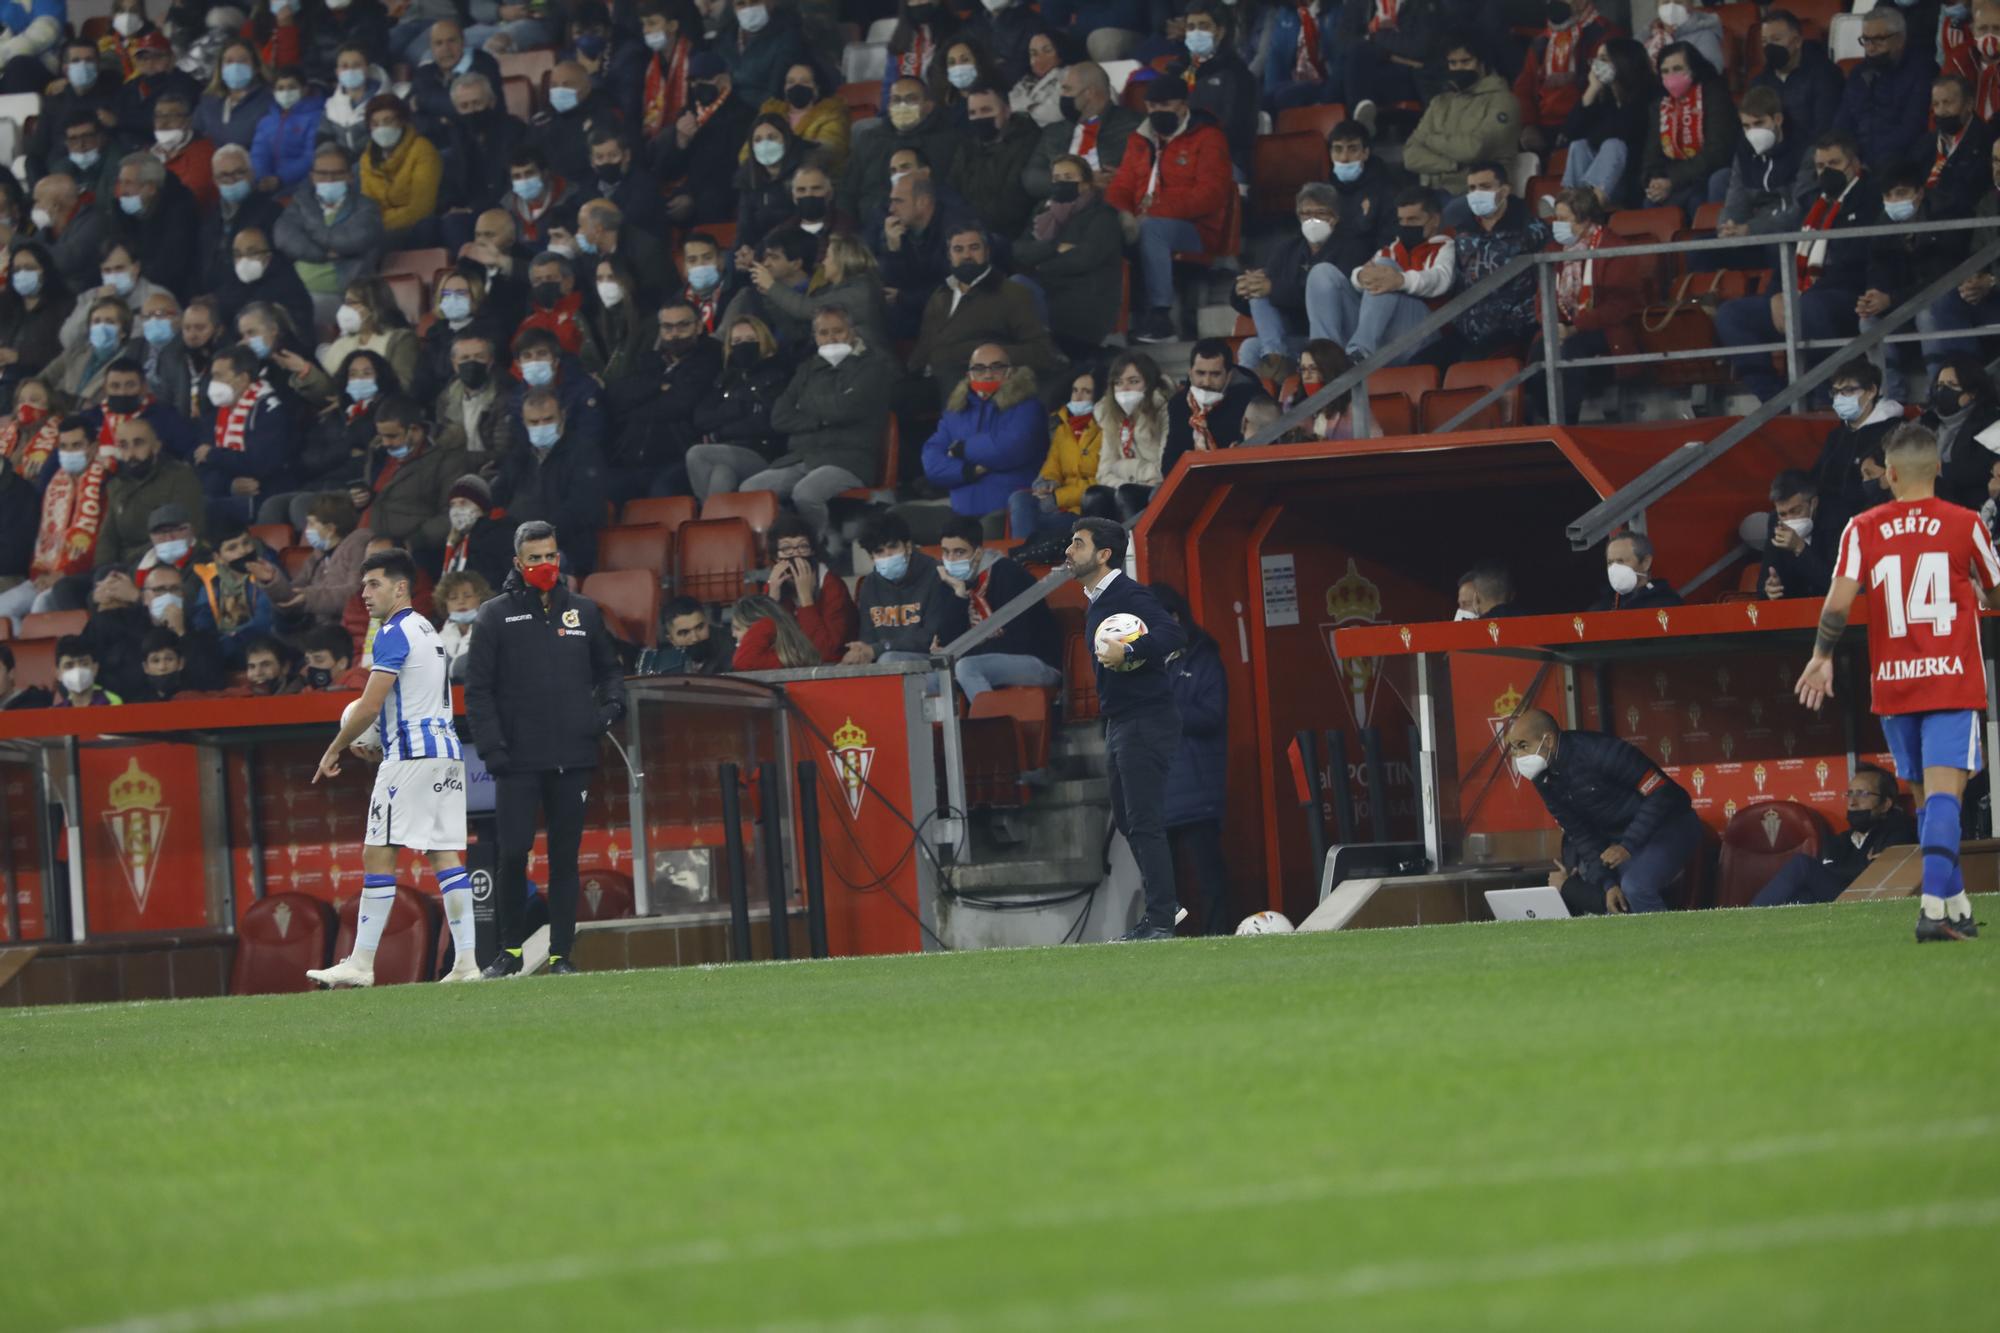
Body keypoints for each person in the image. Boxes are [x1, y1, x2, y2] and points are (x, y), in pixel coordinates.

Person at [1795, 423, 1999, 941]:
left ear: (1888, 474)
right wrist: (1976, 593)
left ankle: (1956, 906)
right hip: (1951, 679)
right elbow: (1995, 594)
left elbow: (1838, 603)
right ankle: (1932, 910)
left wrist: (1821, 657)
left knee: (1929, 803)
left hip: (1894, 684)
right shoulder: (1966, 522)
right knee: (1947, 800)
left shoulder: (1862, 527)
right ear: (1937, 468)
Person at [302, 548, 481, 986]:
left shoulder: (393, 631)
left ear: (401, 587)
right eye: (363, 585)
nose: (364, 593)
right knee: (443, 854)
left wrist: (336, 748)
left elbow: (369, 705)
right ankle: (467, 964)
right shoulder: (428, 630)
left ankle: (361, 963)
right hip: (444, 752)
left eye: (374, 583)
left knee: (377, 851)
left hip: (411, 757)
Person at [464, 520, 627, 977]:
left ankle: (560, 955)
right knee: (512, 854)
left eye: (550, 556)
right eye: (534, 558)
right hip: (516, 761)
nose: (543, 565)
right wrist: (493, 751)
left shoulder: (585, 612)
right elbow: (477, 691)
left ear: (560, 558)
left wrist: (610, 710)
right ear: (518, 562)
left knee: (564, 859)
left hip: (573, 756)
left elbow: (610, 672)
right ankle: (509, 952)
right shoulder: (493, 615)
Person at [1068, 516, 1187, 940]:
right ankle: (1164, 906)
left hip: (1145, 718)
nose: (1069, 551)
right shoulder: (1100, 599)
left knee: (1144, 819)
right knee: (1128, 817)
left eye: (1078, 544)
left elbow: (1173, 633)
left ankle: (1160, 919)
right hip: (1121, 721)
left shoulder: (1128, 593)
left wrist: (1131, 649)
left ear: (1103, 555)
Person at [1502, 708, 1703, 915]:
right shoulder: (1543, 778)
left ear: (1549, 741)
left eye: (1523, 746)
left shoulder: (1599, 751)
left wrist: (1627, 845)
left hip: (1672, 824)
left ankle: (1670, 946)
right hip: (1625, 842)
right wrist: (1608, 884)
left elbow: (1662, 792)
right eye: (1514, 749)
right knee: (1612, 898)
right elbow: (1580, 834)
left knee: (1635, 887)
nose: (1517, 756)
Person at [1106, 75, 1233, 345]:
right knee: (1101, 226)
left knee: (1153, 229)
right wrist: (1122, 213)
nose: (1156, 112)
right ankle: (1109, 322)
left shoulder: (1208, 137)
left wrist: (1155, 212)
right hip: (1143, 222)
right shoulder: (1139, 139)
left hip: (1197, 230)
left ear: (1183, 104)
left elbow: (1211, 194)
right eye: (1151, 106)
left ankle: (1161, 319)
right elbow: (1121, 186)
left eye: (1164, 105)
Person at [763, 306, 896, 531]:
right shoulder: (806, 369)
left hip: (849, 460)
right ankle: (785, 544)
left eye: (838, 331)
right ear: (815, 337)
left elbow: (845, 410)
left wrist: (804, 404)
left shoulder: (873, 367)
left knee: (805, 493)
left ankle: (816, 551)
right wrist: (821, 419)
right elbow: (779, 417)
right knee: (752, 490)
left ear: (852, 332)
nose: (831, 338)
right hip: (802, 457)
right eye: (823, 333)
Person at [1153, 581, 1228, 934]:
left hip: (1198, 789)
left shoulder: (1204, 658)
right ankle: (1170, 941)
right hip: (1156, 791)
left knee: (1209, 877)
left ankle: (1219, 936)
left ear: (1174, 617)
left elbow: (1213, 715)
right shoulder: (1138, 666)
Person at [1306, 187, 1454, 367]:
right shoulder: (1391, 249)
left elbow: (1441, 279)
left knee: (1385, 268)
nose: (1405, 225)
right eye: (1401, 220)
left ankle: (1360, 353)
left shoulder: (1446, 245)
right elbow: (1364, 273)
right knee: (1322, 272)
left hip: (1422, 334)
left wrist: (1400, 280)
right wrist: (1360, 276)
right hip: (1383, 335)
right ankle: (1324, 357)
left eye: (1413, 219)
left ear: (1434, 220)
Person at [1751, 764, 1917, 908]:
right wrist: (1864, 865)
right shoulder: (1839, 841)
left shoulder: (1900, 829)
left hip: (1869, 904)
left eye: (1863, 794)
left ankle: (1748, 918)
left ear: (1886, 804)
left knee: (1802, 865)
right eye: (1850, 794)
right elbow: (1831, 872)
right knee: (1803, 899)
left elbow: (1882, 876)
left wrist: (1843, 871)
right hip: (1837, 903)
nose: (1852, 802)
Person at [922, 342, 1047, 523]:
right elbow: (932, 463)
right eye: (979, 369)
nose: (988, 375)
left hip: (1008, 515)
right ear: (969, 375)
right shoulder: (955, 411)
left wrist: (961, 449)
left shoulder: (1027, 406)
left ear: (1010, 372)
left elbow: (1010, 449)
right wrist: (969, 470)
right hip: (962, 517)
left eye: (996, 367)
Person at [937, 514, 1060, 698]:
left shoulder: (1009, 574)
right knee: (925, 679)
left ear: (978, 553)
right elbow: (947, 642)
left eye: (959, 552)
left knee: (967, 667)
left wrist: (963, 652)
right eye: (946, 552)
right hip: (985, 659)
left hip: (1037, 661)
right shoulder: (951, 581)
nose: (951, 559)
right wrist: (959, 593)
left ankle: (993, 725)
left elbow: (1021, 641)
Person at [1401, 41, 1520, 200]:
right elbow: (1410, 156)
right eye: (1453, 63)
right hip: (1437, 193)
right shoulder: (1440, 102)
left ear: (1482, 64)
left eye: (1466, 61)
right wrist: (1454, 165)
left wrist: (1428, 139)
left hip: (1482, 194)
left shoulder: (1503, 101)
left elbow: (1473, 149)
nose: (1459, 68)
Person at [844, 511, 965, 665]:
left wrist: (882, 648)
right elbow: (868, 640)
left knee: (888, 660)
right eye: (879, 551)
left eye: (893, 547)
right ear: (871, 557)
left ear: (908, 547)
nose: (887, 555)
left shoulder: (936, 574)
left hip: (932, 660)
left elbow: (932, 636)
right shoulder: (869, 585)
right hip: (885, 661)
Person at [1638, 42, 1736, 221]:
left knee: (1696, 200)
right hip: (1674, 181)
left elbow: (1718, 152)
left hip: (1705, 176)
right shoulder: (1659, 105)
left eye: (1677, 68)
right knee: (1650, 203)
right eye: (1665, 71)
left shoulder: (1714, 96)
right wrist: (1654, 181)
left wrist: (1672, 180)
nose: (1670, 76)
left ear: (1694, 69)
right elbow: (1651, 154)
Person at [1833, 6, 1937, 173]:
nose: (1871, 48)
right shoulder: (1859, 73)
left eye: (1878, 40)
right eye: (1866, 40)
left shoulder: (1922, 71)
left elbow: (1912, 128)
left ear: (1900, 39)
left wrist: (1867, 160)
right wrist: (1846, 153)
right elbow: (1843, 121)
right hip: (1857, 158)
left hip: (1899, 160)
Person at [1010, 367, 1101, 544]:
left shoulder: (1107, 429)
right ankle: (1022, 553)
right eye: (1075, 390)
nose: (1078, 396)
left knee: (1035, 524)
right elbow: (1052, 466)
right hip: (1060, 507)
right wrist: (1047, 483)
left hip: (1087, 510)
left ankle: (1022, 555)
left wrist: (1058, 497)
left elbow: (1102, 482)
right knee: (1020, 498)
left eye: (1086, 391)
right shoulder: (1063, 428)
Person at [1161, 339, 1270, 478]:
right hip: (1191, 483)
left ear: (1229, 375)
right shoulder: (1179, 403)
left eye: (1215, 374)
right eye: (1200, 373)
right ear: (1190, 373)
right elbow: (1169, 464)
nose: (1206, 382)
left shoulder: (1252, 399)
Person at [762, 513, 855, 660]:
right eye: (786, 549)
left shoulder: (832, 585)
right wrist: (772, 600)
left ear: (812, 551)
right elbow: (762, 646)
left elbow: (824, 651)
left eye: (803, 546)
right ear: (775, 557)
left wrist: (805, 598)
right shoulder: (773, 585)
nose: (796, 554)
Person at [1751, 8, 1843, 147]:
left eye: (1776, 39)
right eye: (1764, 41)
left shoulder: (1825, 75)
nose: (1769, 47)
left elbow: (1824, 132)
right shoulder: (1760, 82)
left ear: (1797, 41)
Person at [1758, 469, 1835, 602]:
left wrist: (1800, 547)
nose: (1789, 520)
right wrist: (1770, 589)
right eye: (1783, 514)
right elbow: (1763, 586)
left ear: (1813, 503)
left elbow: (1836, 583)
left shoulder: (1835, 521)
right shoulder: (1775, 523)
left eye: (1796, 511)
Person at [1591, 530, 1681, 612]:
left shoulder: (1667, 606)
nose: (1614, 568)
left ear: (1645, 563)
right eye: (1610, 562)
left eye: (1620, 561)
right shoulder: (1601, 608)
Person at [728, 593, 821, 670]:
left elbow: (743, 662)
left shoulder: (779, 659)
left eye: (737, 628)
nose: (733, 634)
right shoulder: (788, 655)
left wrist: (769, 621)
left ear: (756, 629)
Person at [638, 595, 727, 675]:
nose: (695, 638)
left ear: (707, 624)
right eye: (684, 633)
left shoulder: (729, 652)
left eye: (699, 627)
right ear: (672, 639)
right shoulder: (661, 665)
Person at [53, 635, 123, 707]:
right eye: (69, 665)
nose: (77, 671)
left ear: (95, 668)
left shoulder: (111, 703)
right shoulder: (56, 712)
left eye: (84, 664)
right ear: (58, 674)